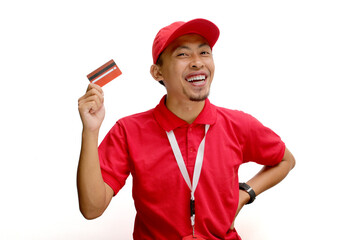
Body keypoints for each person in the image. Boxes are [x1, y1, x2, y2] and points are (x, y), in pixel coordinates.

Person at [77, 18, 295, 240]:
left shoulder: (238, 125)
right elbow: (92, 209)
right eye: (183, 54)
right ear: (157, 73)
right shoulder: (128, 131)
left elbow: (285, 160)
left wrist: (245, 193)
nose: (197, 62)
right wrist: (90, 131)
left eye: (204, 52)